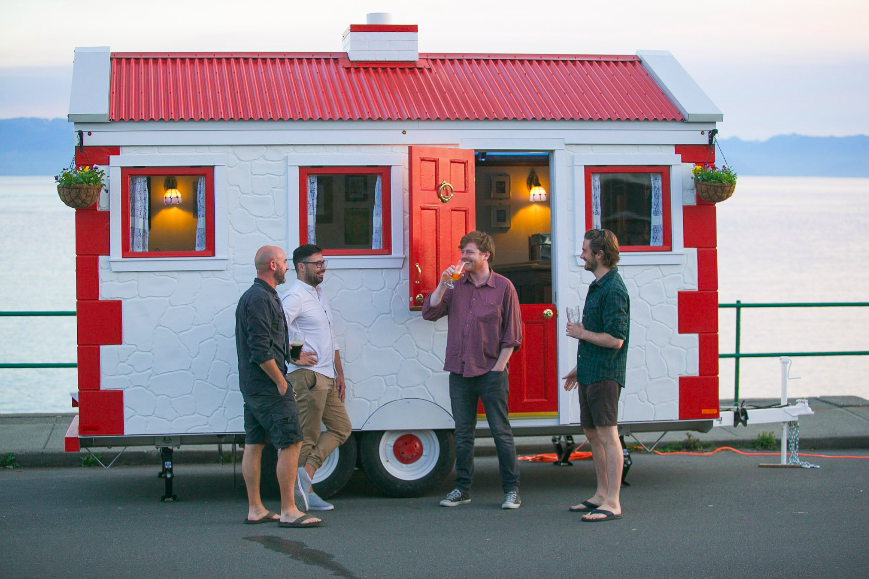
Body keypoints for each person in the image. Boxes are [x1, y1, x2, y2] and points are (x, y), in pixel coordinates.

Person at [422, 231, 523, 509]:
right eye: (462, 252)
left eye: (469, 252)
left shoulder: (504, 287)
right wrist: (443, 284)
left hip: (492, 372)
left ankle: (511, 490)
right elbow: (429, 312)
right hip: (460, 372)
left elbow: (512, 336)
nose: (463, 257)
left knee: (501, 432)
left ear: (485, 255)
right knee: (463, 435)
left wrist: (497, 369)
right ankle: (462, 489)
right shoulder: (456, 286)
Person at [235, 245, 321, 528]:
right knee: (292, 441)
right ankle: (288, 510)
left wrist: (294, 356)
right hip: (267, 386)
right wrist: (281, 380)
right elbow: (260, 349)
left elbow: (269, 341)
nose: (287, 267)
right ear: (272, 265)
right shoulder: (260, 299)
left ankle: (256, 509)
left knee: (254, 443)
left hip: (252, 386)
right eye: (284, 262)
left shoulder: (259, 296)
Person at [563, 229, 630, 523]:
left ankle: (613, 502)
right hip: (590, 372)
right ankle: (600, 494)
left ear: (600, 255)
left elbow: (616, 339)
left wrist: (581, 333)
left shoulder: (614, 289)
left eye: (585, 250)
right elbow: (598, 336)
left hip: (605, 374)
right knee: (592, 434)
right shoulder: (598, 285)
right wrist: (578, 369)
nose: (582, 255)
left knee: (607, 434)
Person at [281, 244, 352, 511]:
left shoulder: (318, 294)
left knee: (341, 428)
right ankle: (298, 497)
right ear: (301, 267)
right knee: (306, 438)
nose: (323, 267)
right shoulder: (295, 296)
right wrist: (292, 355)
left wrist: (339, 373)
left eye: (324, 262)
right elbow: (276, 327)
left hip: (327, 376)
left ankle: (306, 474)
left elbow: (330, 338)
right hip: (307, 377)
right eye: (317, 263)